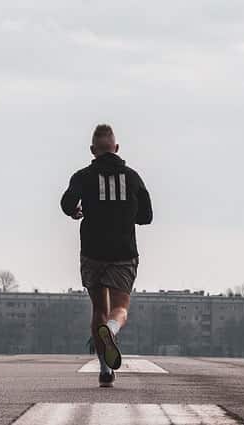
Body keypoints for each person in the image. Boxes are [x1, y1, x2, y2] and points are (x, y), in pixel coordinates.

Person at [61, 124, 153, 387]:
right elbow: (146, 216)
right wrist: (125, 213)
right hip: (123, 252)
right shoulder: (133, 177)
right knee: (120, 308)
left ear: (93, 150)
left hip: (92, 252)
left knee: (99, 309)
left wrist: (75, 211)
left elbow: (67, 202)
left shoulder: (83, 176)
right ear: (116, 148)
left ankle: (105, 370)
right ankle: (112, 331)